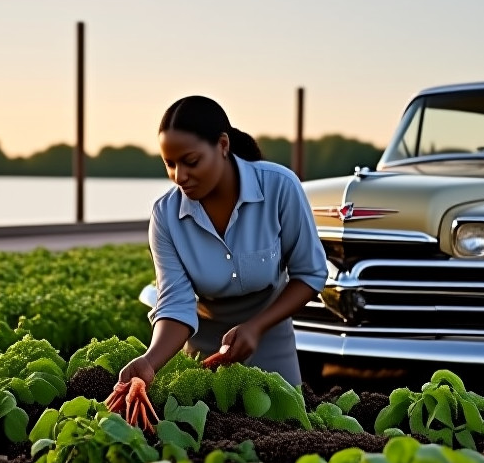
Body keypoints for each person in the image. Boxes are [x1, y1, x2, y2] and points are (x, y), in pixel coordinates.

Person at [117, 95, 328, 388]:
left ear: (223, 146)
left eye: (191, 162)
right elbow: (176, 306)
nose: (180, 176)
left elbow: (310, 273)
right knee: (207, 427)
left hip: (270, 339)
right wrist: (150, 361)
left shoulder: (280, 187)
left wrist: (257, 327)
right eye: (169, 164)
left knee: (285, 426)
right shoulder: (165, 216)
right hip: (206, 351)